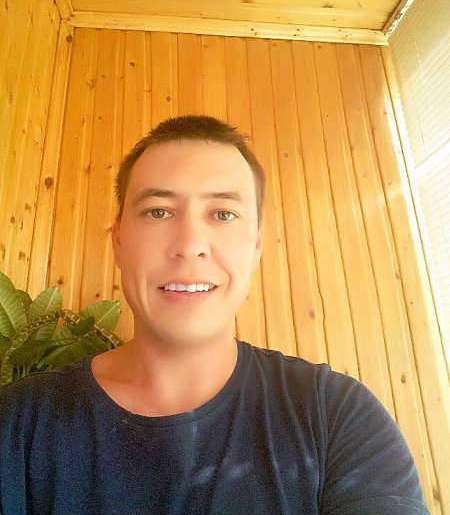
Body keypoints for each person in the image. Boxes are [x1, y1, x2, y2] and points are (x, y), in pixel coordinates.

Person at [0, 115, 430, 514]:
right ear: (118, 242)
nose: (190, 244)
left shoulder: (337, 416)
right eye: (158, 211)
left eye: (223, 214)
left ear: (256, 246)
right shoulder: (18, 421)